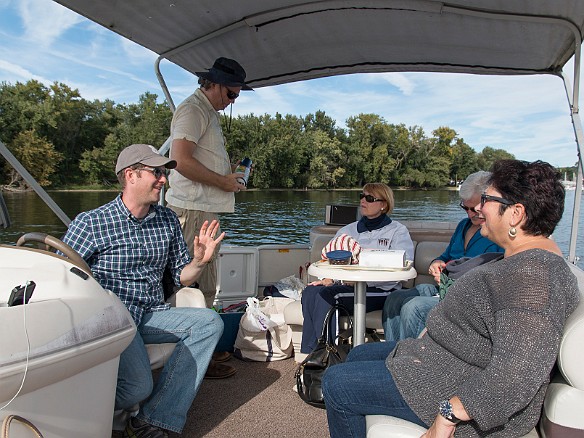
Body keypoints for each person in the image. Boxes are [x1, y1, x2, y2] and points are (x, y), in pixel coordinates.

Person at [322, 160, 580, 438]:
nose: (479, 209)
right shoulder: (519, 261)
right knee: (359, 353)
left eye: (486, 200)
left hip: (454, 384)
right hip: (447, 362)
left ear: (515, 214)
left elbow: (516, 375)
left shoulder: (533, 278)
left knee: (336, 383)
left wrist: (448, 415)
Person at [62, 144, 225, 438]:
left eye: (164, 172)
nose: (163, 179)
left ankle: (153, 419)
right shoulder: (91, 223)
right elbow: (61, 276)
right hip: (112, 318)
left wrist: (200, 261)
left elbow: (181, 276)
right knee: (137, 387)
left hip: (151, 313)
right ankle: (61, 408)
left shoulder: (167, 220)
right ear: (131, 175)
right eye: (156, 172)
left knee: (211, 323)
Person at [165, 57, 253, 378]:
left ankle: (204, 352)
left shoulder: (209, 113)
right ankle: (189, 359)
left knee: (208, 285)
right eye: (230, 94)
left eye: (237, 95)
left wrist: (226, 176)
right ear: (212, 84)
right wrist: (223, 182)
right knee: (188, 284)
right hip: (190, 211)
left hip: (205, 211)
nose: (233, 101)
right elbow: (180, 161)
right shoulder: (192, 110)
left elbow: (200, 160)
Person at [382, 171, 503, 340]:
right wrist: (437, 263)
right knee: (394, 299)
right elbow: (445, 256)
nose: (469, 214)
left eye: (475, 209)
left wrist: (449, 278)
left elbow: (492, 277)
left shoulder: (497, 234)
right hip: (442, 290)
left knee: (413, 307)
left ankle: (410, 361)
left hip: (465, 297)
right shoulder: (463, 226)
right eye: (465, 208)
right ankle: (390, 352)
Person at [301, 182, 414, 354]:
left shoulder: (397, 231)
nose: (363, 201)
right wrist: (329, 279)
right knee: (310, 292)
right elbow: (334, 260)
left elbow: (404, 265)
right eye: (361, 196)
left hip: (382, 290)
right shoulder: (348, 231)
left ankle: (329, 354)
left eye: (369, 198)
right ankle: (311, 354)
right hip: (346, 286)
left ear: (383, 204)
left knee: (329, 294)